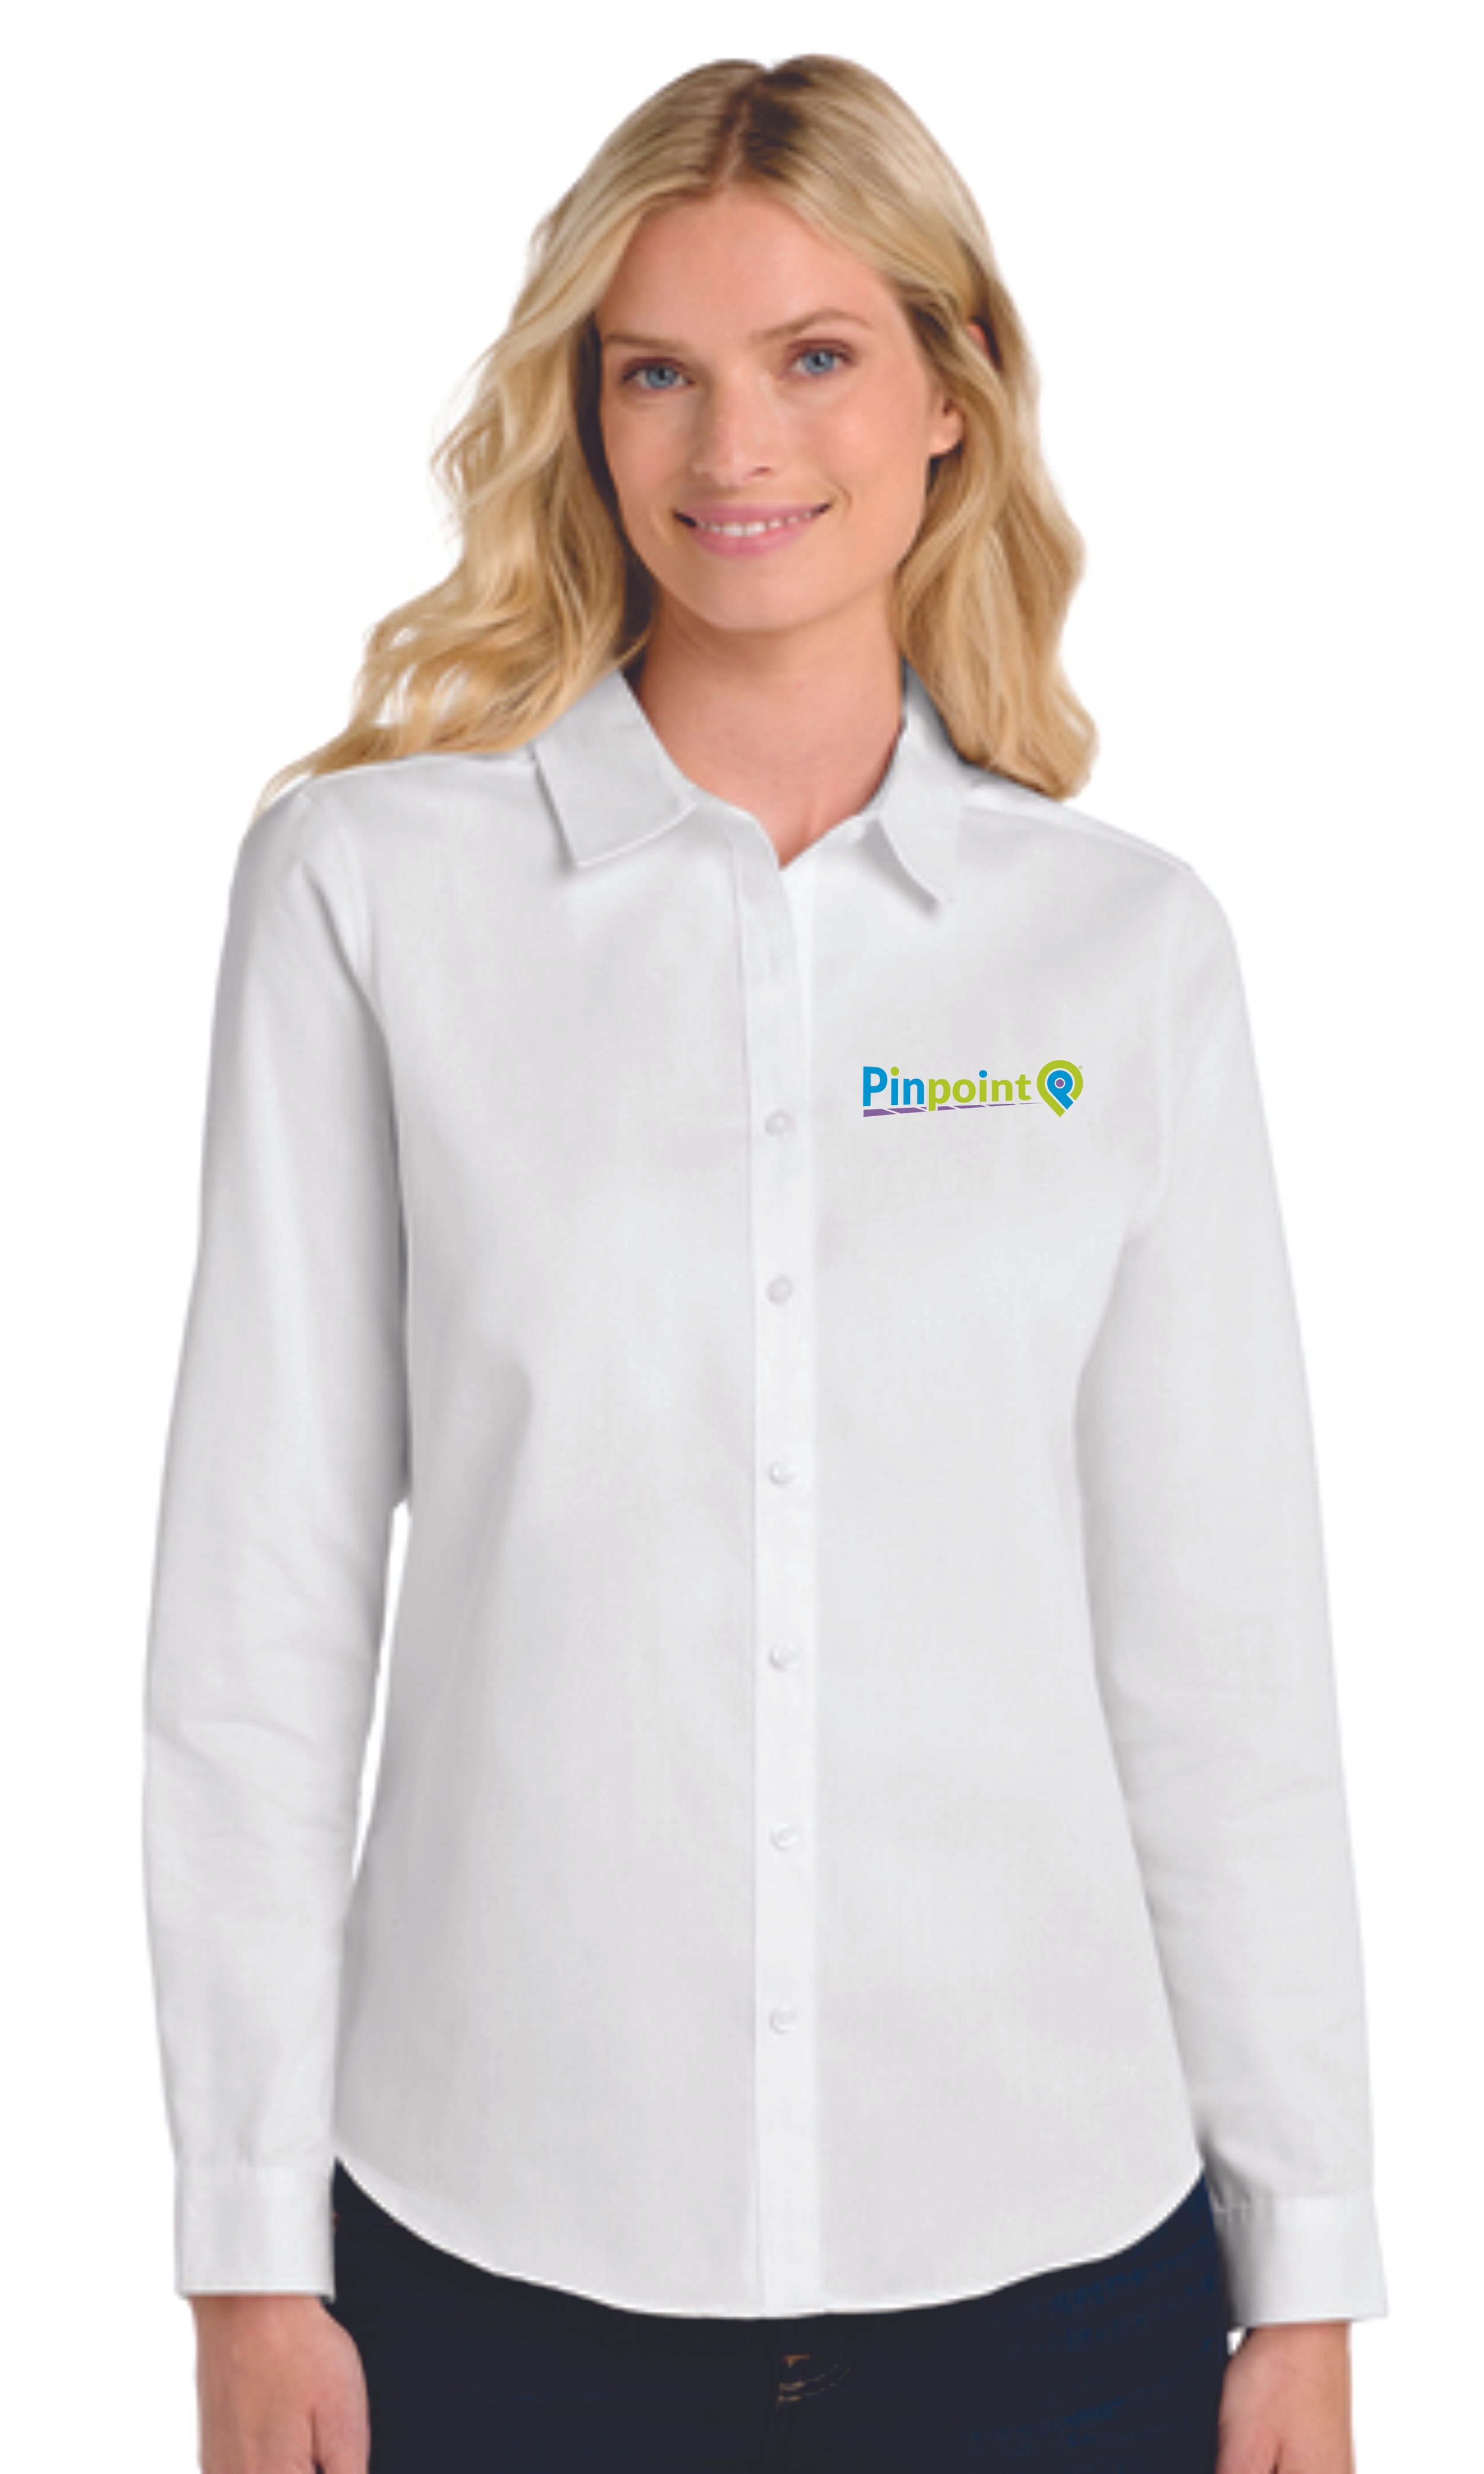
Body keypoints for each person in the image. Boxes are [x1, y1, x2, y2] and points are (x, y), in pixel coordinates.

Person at [142, 50, 1388, 2474]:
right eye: (657, 372)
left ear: (949, 394)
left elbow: (1221, 1651)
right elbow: (257, 1622)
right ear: (585, 413)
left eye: (815, 354)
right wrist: (242, 2252)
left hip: (1056, 2270)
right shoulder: (367, 895)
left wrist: (1310, 2272)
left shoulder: (1123, 956)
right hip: (486, 2260)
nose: (736, 444)